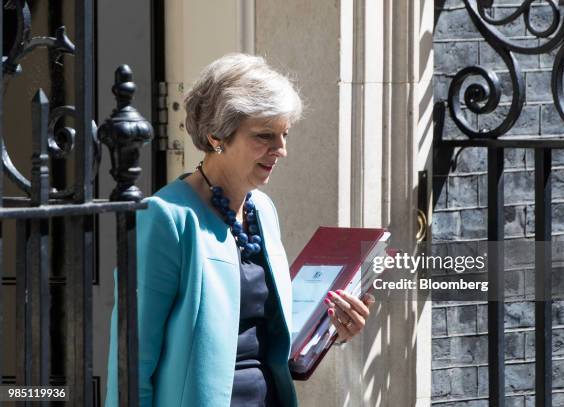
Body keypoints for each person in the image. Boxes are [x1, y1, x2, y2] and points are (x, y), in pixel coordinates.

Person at [105, 53, 374, 407]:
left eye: (284, 134)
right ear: (217, 136)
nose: (281, 150)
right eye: (265, 136)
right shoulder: (166, 217)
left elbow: (272, 337)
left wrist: (331, 331)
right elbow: (130, 364)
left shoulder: (262, 209)